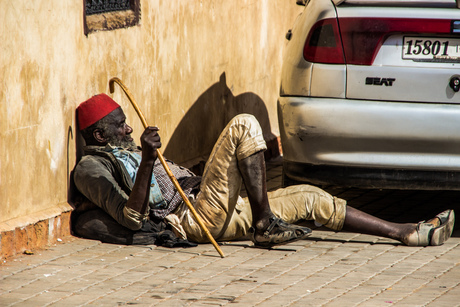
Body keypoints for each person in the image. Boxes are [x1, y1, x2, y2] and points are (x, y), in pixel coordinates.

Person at [72, 93, 455, 248]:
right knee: (243, 124)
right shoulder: (90, 168)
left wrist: (175, 166)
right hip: (188, 219)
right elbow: (134, 218)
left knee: (311, 198)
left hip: (209, 204)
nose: (128, 129)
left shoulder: (131, 150)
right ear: (98, 133)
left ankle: (405, 233)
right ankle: (264, 223)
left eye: (126, 123)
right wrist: (149, 161)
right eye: (120, 125)